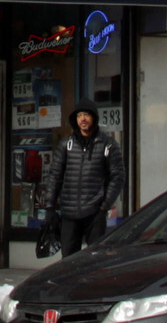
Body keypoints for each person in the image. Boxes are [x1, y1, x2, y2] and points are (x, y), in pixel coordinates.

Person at [40, 105, 126, 256]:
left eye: (87, 115)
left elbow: (118, 177)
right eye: (79, 116)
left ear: (94, 118)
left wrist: (104, 206)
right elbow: (54, 176)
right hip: (69, 214)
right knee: (68, 260)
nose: (83, 119)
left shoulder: (108, 145)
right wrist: (50, 207)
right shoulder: (66, 145)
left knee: (95, 258)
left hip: (95, 213)